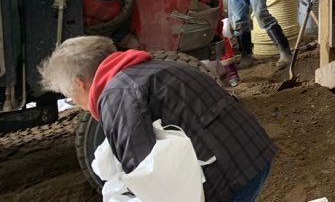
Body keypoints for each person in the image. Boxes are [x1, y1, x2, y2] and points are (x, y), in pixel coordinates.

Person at [38, 36, 274, 201]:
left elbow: (145, 171)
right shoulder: (148, 67)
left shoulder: (117, 93)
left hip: (230, 176)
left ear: (80, 83)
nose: (76, 104)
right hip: (251, 152)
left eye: (70, 96)